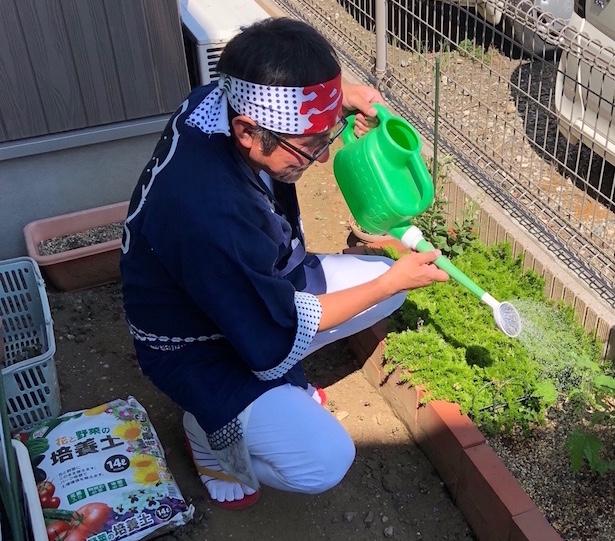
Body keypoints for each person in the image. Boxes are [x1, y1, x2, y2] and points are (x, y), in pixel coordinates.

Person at [120, 17, 448, 509]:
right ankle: (209, 434)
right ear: (248, 131)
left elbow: (243, 91)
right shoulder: (212, 214)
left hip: (238, 292)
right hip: (194, 348)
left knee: (391, 282)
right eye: (309, 143)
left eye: (325, 136)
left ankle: (269, 401)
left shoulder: (213, 105)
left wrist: (340, 97)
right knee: (324, 460)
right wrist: (386, 285)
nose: (320, 159)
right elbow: (277, 331)